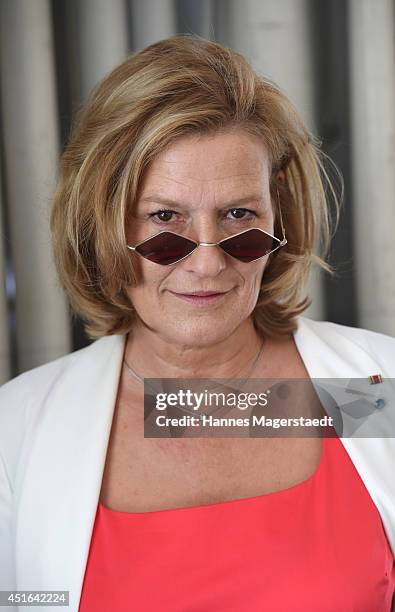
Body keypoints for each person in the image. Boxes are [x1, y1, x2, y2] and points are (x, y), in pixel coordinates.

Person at [0, 35, 394, 612]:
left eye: (239, 215)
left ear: (277, 210)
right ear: (102, 224)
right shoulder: (19, 432)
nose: (208, 263)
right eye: (164, 219)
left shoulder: (369, 392)